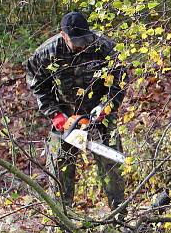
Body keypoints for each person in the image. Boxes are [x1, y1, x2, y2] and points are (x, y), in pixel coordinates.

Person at [25, 11, 126, 211]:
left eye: (84, 39)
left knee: (112, 166)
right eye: (76, 41)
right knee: (59, 168)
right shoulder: (47, 52)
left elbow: (120, 81)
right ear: (64, 36)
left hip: (99, 116)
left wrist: (106, 106)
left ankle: (119, 217)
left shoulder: (104, 47)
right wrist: (55, 114)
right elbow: (37, 85)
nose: (81, 45)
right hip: (66, 115)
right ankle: (64, 218)